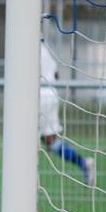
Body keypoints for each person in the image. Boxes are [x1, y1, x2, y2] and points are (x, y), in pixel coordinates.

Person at [39, 40, 94, 186]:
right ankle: (84, 164)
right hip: (51, 94)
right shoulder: (46, 51)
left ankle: (26, 180)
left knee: (24, 140)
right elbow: (56, 74)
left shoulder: (30, 49)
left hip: (38, 97)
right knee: (51, 141)